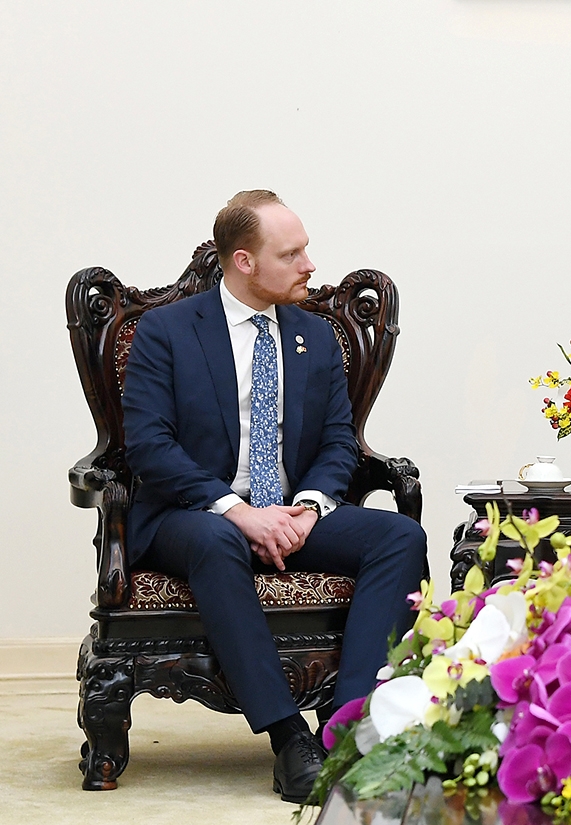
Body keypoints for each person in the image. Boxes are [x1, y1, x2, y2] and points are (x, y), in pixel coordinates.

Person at [122, 190, 428, 803]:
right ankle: (288, 737)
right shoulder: (167, 332)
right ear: (243, 262)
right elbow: (149, 447)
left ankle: (350, 729)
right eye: (292, 254)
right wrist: (238, 512)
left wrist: (309, 507)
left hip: (291, 512)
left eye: (306, 249)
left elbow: (340, 441)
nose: (310, 264)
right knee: (216, 538)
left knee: (400, 536)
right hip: (192, 516)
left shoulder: (315, 336)